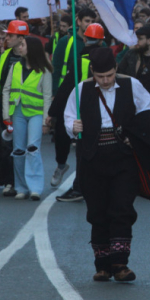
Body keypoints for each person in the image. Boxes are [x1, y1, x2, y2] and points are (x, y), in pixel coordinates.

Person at [64, 47, 150, 282]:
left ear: (116, 69)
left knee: (122, 208)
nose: (105, 80)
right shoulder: (81, 90)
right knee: (97, 211)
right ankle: (102, 265)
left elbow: (147, 114)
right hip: (93, 158)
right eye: (100, 76)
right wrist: (73, 127)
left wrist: (136, 136)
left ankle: (120, 264)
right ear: (92, 72)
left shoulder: (132, 86)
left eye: (109, 75)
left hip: (124, 157)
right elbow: (69, 117)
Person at [49, 22, 106, 202]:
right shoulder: (107, 60)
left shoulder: (80, 61)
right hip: (104, 111)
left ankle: (79, 188)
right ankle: (96, 187)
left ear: (85, 39)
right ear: (101, 41)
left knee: (83, 151)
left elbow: (67, 87)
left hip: (83, 112)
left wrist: (52, 112)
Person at [2, 36, 53, 200]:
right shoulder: (15, 66)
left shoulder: (45, 70)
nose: (19, 47)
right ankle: (21, 188)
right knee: (18, 150)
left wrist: (46, 121)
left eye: (22, 45)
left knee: (33, 149)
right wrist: (6, 115)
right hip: (18, 112)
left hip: (36, 114)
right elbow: (6, 90)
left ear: (32, 49)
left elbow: (47, 96)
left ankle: (35, 188)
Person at [0, 20, 30, 196]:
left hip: (26, 111)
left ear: (21, 38)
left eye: (10, 35)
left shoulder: (32, 58)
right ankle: (9, 181)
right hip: (4, 110)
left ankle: (24, 182)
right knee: (4, 148)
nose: (7, 38)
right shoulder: (3, 57)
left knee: (23, 148)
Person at [52, 7, 96, 94]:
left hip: (91, 92)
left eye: (93, 22)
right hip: (67, 92)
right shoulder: (65, 41)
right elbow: (56, 68)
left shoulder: (100, 43)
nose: (90, 24)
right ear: (79, 21)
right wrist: (54, 92)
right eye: (87, 21)